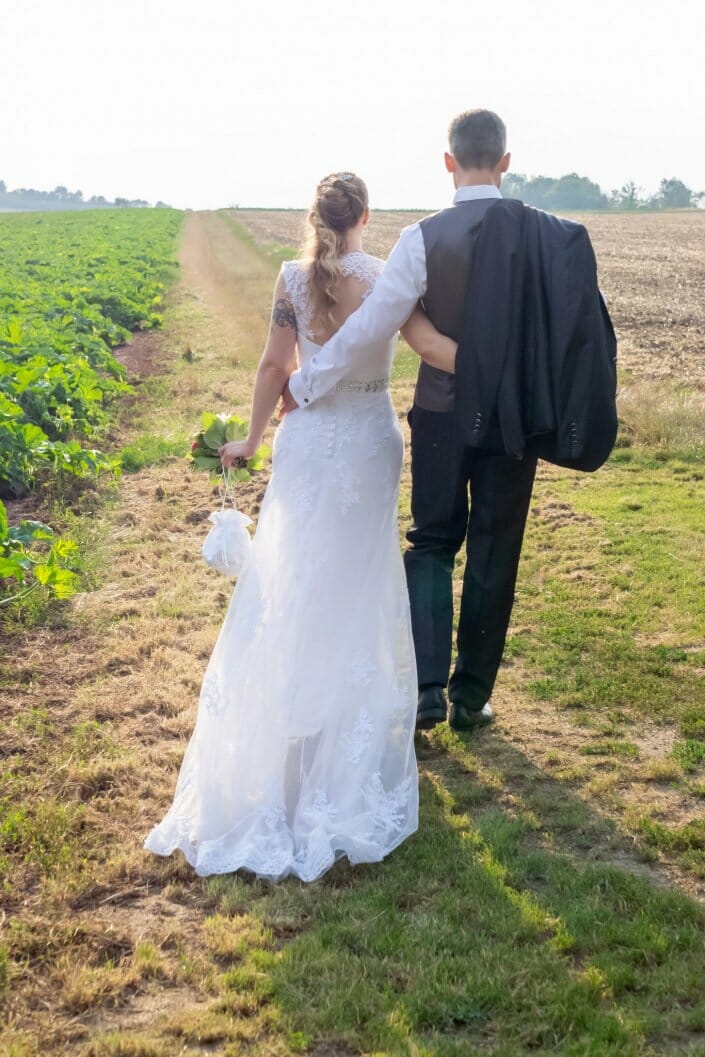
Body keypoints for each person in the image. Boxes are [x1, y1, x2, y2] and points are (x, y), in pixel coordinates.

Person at [144, 172, 456, 883]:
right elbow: (427, 344)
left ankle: (289, 727)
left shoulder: (291, 277)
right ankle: (340, 740)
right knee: (356, 583)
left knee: (293, 582)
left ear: (312, 217)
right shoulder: (385, 276)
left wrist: (250, 440)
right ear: (365, 217)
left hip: (310, 443)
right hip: (370, 440)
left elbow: (273, 366)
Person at [281, 109, 616, 735]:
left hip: (440, 413)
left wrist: (304, 384)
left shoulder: (421, 239)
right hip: (515, 419)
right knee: (496, 550)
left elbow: (369, 328)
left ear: (448, 162)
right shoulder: (545, 235)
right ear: (507, 162)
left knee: (432, 542)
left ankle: (427, 689)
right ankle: (471, 698)